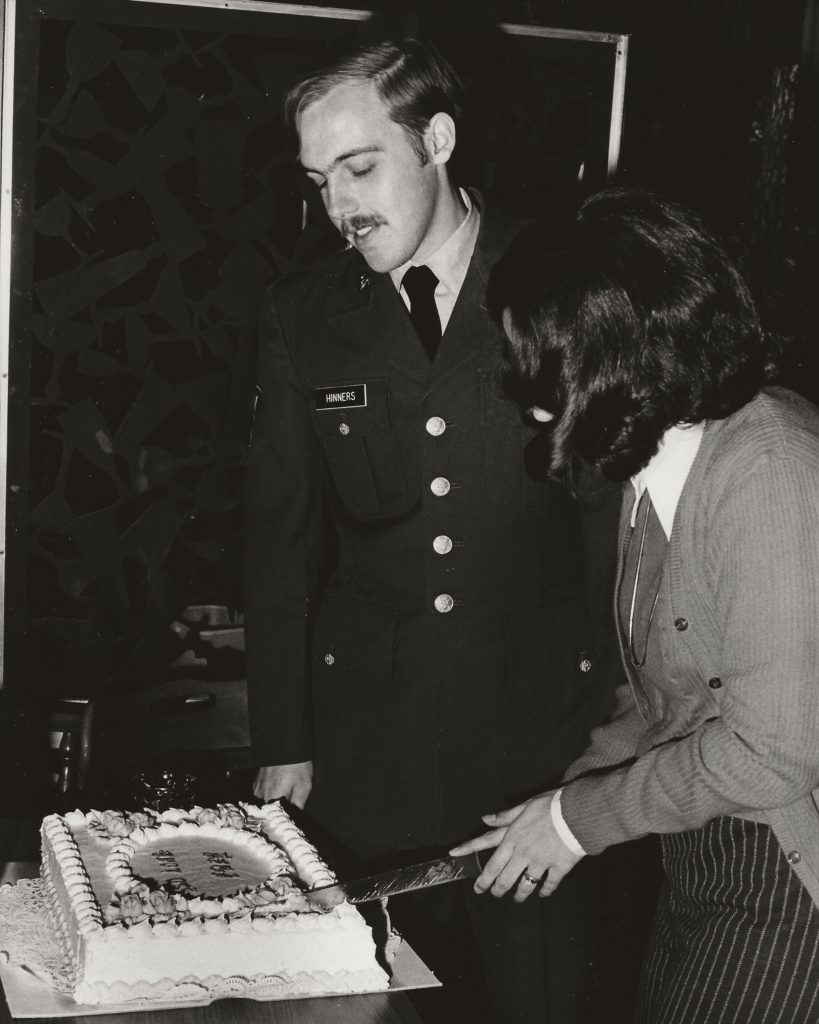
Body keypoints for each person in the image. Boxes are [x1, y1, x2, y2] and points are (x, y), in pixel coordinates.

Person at [244, 37, 625, 1023]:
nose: (340, 207)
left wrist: (617, 736)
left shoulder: (563, 280)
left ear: (438, 140)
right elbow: (279, 537)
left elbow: (612, 524)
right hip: (368, 756)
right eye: (320, 181)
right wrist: (286, 736)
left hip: (539, 739)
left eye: (360, 168)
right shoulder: (303, 314)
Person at [451, 186, 819, 1023]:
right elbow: (661, 700)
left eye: (538, 361)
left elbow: (776, 753)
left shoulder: (769, 473)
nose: (525, 393)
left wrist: (580, 820)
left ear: (614, 357)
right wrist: (557, 806)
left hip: (790, 876)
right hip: (705, 854)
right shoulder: (656, 456)